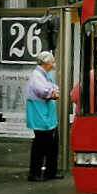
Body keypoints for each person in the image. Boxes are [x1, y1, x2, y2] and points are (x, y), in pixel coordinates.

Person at [26, 51, 61, 181]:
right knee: (40, 146)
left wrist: (53, 91)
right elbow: (45, 91)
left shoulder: (44, 74)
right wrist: (52, 93)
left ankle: (50, 172)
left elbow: (54, 88)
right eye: (52, 62)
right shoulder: (37, 76)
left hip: (46, 116)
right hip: (41, 116)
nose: (53, 64)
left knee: (51, 145)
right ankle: (35, 173)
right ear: (46, 63)